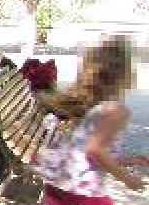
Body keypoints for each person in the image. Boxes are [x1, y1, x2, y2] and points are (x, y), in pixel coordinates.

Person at [37, 36, 144, 204]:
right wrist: (127, 179)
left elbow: (83, 150)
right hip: (83, 192)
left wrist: (124, 160)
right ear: (126, 76)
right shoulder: (115, 110)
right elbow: (94, 149)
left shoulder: (88, 105)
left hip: (57, 187)